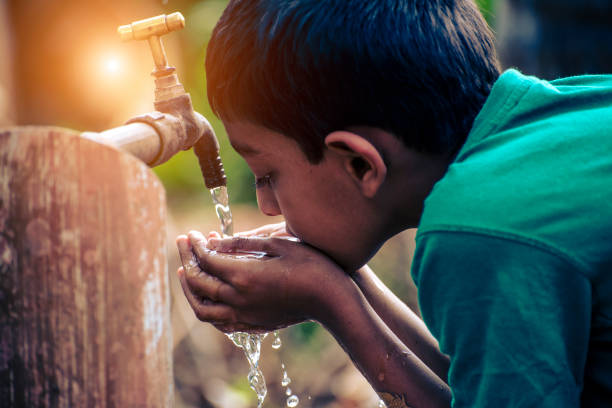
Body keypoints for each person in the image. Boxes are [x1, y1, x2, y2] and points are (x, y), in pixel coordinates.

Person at [175, 1, 612, 406]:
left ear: (362, 165)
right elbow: (476, 390)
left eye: (268, 176)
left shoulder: (481, 231)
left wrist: (330, 302)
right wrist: (350, 285)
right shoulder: (573, 111)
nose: (267, 206)